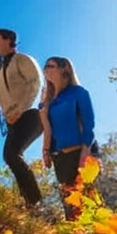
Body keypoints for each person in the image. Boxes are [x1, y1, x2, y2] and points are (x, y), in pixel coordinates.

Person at [0, 29, 43, 209]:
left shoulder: (22, 59)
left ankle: (36, 203)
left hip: (30, 114)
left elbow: (35, 83)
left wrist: (20, 109)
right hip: (10, 119)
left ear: (9, 40)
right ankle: (30, 203)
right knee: (10, 156)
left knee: (11, 154)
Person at [39, 56, 96, 220]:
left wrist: (86, 152)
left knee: (87, 203)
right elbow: (47, 130)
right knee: (69, 207)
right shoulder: (47, 103)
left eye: (51, 66)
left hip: (80, 153)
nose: (46, 69)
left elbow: (88, 122)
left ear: (65, 69)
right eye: (45, 67)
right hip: (60, 158)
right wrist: (46, 151)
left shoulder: (78, 93)